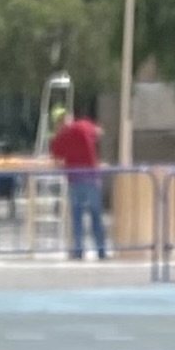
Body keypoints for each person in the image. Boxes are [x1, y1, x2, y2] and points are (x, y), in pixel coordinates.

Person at [48, 92, 106, 259]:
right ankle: (101, 250)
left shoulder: (59, 138)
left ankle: (79, 250)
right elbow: (100, 132)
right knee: (96, 215)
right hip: (92, 177)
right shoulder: (84, 125)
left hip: (75, 179)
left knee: (77, 217)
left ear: (57, 123)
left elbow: (56, 160)